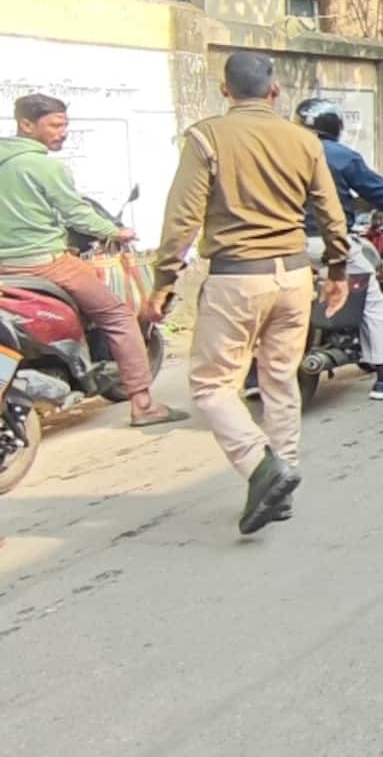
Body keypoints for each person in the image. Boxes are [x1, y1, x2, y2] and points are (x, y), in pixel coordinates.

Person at [145, 54, 349, 536]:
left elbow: (182, 220)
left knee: (213, 385)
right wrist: (337, 268)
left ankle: (261, 466)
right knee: (280, 380)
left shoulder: (206, 137)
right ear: (274, 91)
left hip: (236, 278)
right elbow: (330, 211)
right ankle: (284, 478)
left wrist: (164, 281)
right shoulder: (304, 141)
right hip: (295, 277)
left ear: (225, 89)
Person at [0, 94, 183, 427]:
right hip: (43, 263)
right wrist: (117, 231)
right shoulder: (44, 166)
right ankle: (143, 403)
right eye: (55, 125)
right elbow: (77, 214)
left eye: (65, 125)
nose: (63, 132)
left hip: (4, 269)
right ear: (26, 125)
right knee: (118, 315)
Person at [294, 99, 383, 400]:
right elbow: (378, 191)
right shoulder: (341, 156)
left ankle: (255, 374)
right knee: (373, 299)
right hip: (328, 243)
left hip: (285, 244)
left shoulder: (279, 154)